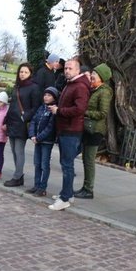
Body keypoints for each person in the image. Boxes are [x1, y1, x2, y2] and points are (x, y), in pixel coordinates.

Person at [48, 59, 90, 211]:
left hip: (71, 130)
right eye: (65, 68)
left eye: (70, 68)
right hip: (65, 129)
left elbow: (79, 109)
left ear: (77, 70)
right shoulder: (71, 84)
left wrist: (59, 111)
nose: (66, 71)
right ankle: (67, 193)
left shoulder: (80, 86)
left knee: (67, 165)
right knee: (66, 163)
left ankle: (65, 198)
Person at [75, 63, 113, 199]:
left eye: (95, 74)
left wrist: (86, 112)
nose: (92, 75)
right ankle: (85, 187)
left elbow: (103, 113)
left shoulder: (104, 92)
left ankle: (89, 189)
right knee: (85, 159)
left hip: (95, 131)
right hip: (88, 129)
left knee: (89, 160)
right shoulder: (95, 90)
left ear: (101, 77)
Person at [3, 63, 41, 187]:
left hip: (22, 123)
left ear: (30, 74)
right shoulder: (17, 86)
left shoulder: (34, 87)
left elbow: (36, 106)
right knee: (13, 150)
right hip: (12, 121)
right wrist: (5, 121)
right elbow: (13, 104)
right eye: (21, 72)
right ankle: (18, 175)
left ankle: (17, 176)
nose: (22, 74)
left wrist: (25, 117)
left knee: (19, 151)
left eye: (25, 72)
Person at [28, 87, 59, 197]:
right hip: (37, 140)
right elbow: (33, 121)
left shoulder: (52, 111)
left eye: (49, 95)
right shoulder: (41, 108)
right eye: (45, 95)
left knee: (44, 165)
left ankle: (42, 187)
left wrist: (39, 137)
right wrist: (32, 135)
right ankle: (36, 185)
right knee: (37, 163)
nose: (46, 97)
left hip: (46, 141)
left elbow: (50, 127)